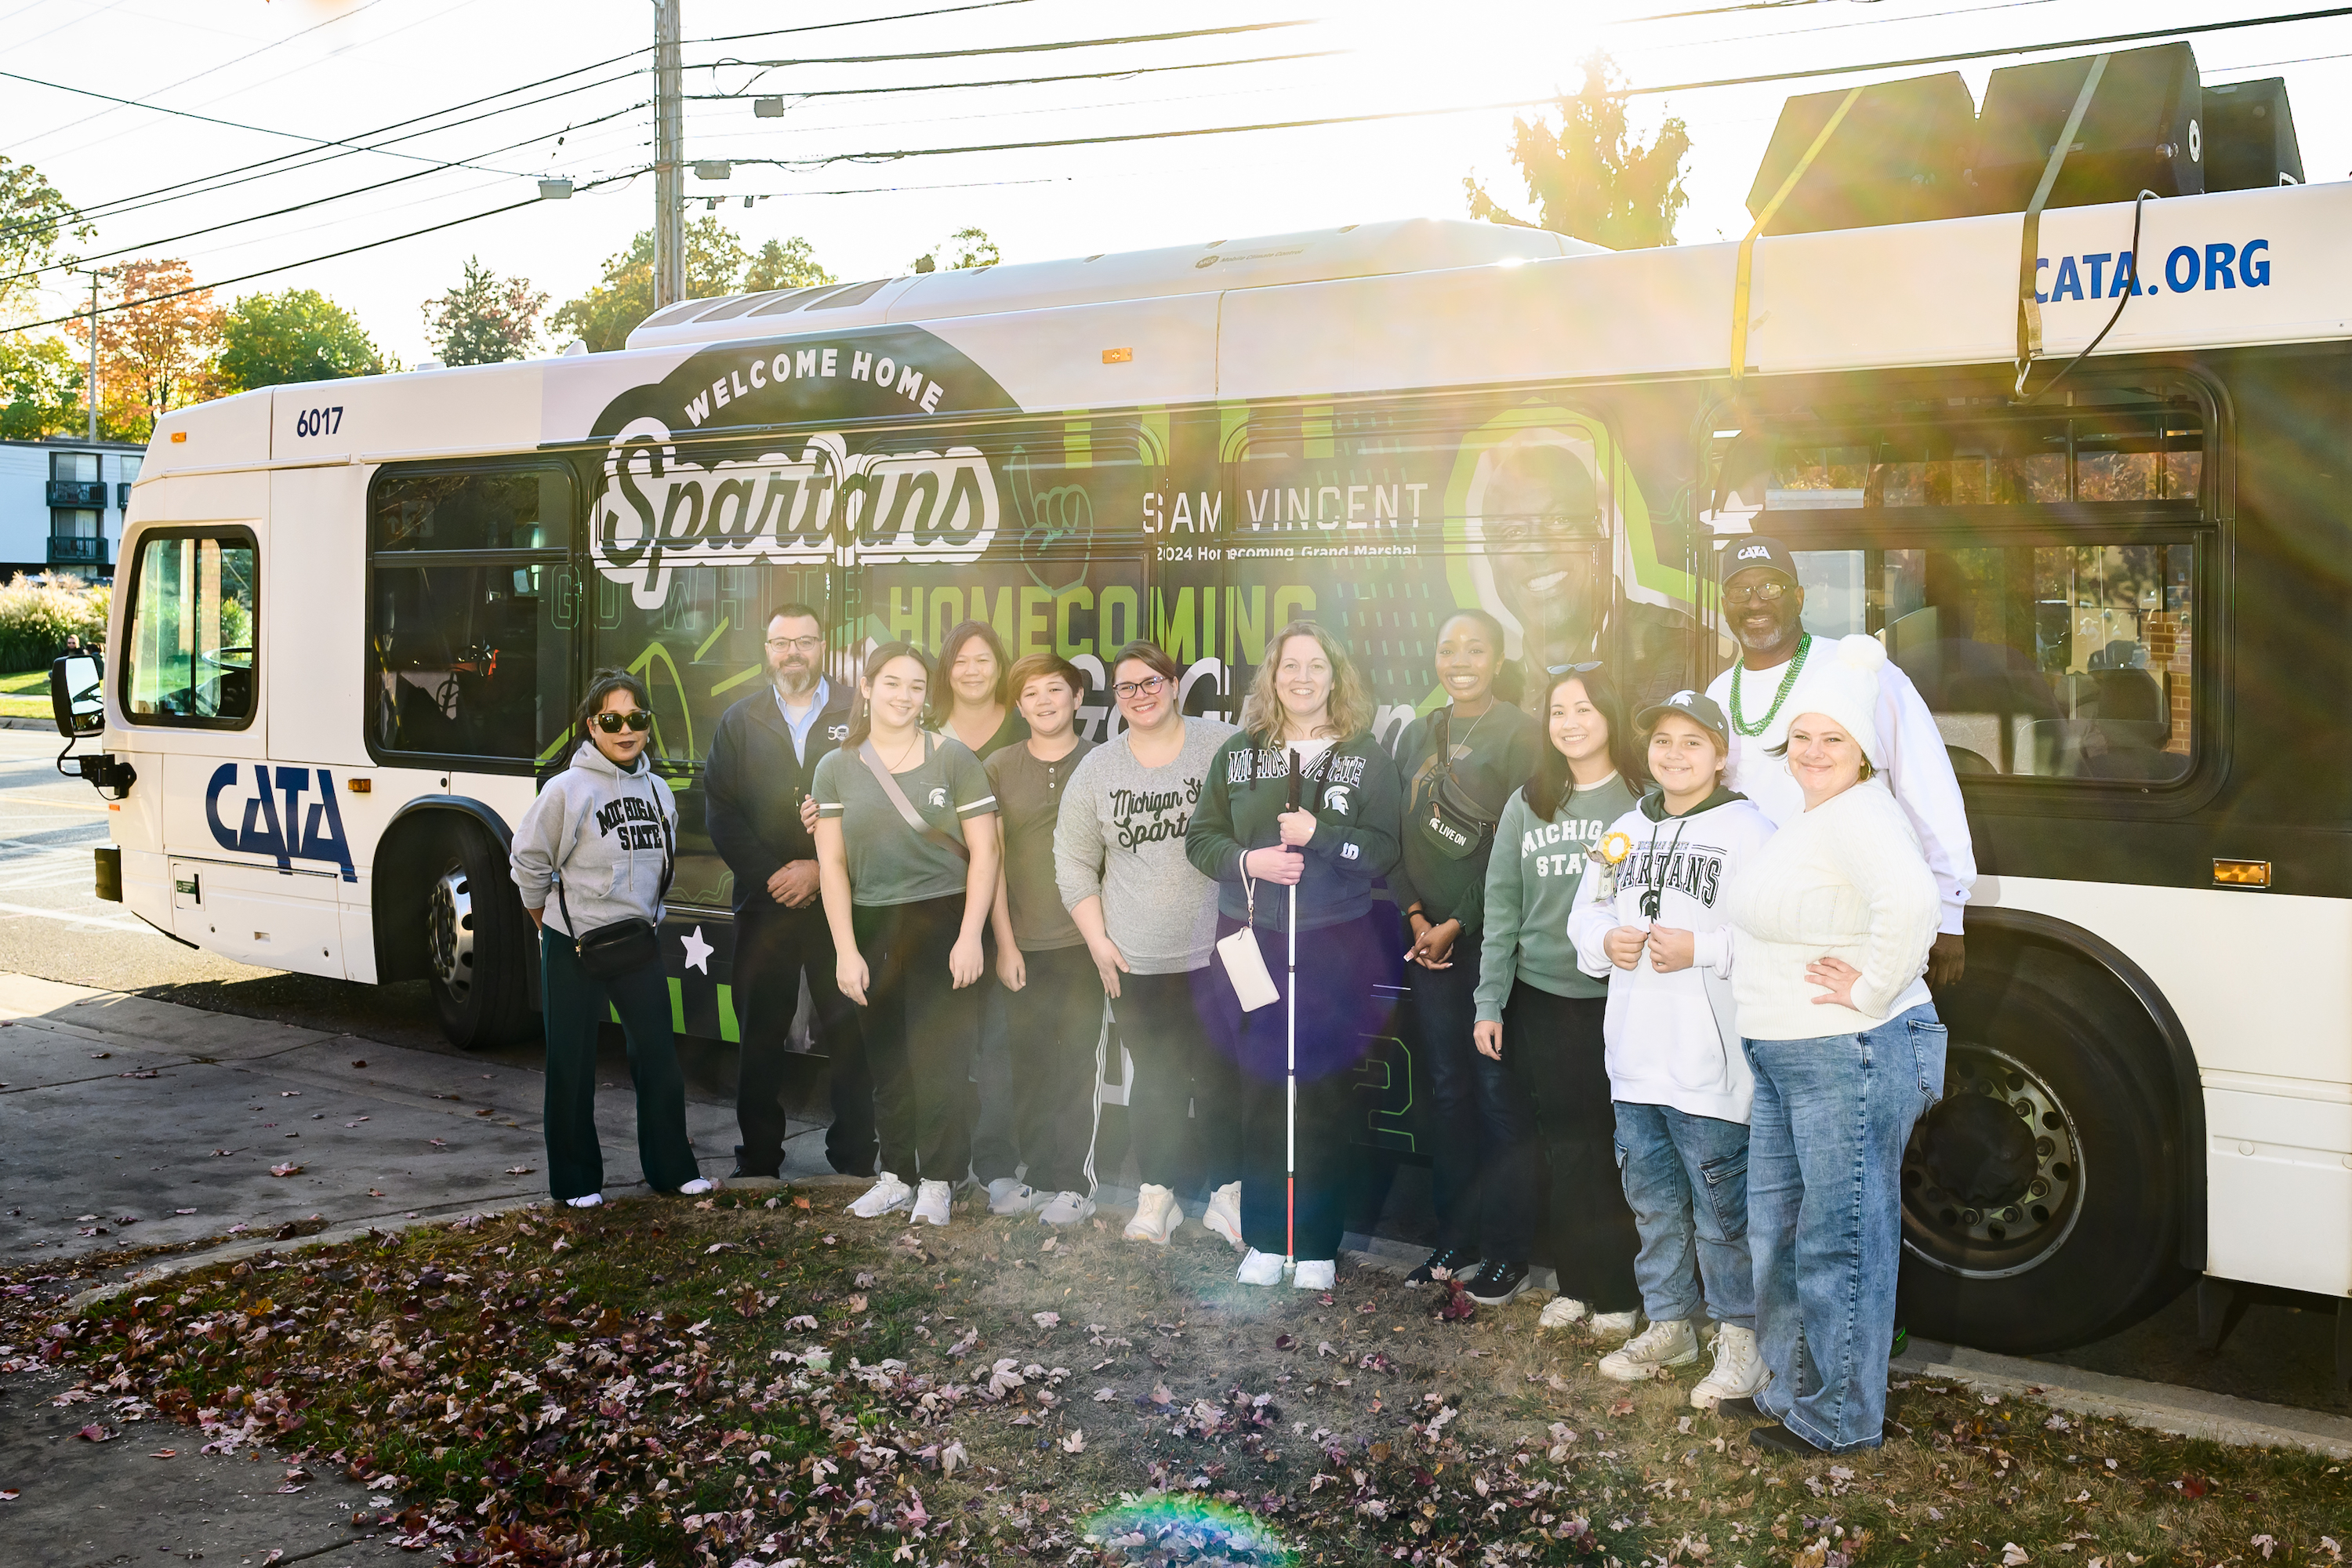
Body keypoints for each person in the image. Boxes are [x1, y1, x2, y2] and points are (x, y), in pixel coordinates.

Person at [1726, 634, 1946, 1456]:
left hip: (1845, 1051)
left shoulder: (1863, 813)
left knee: (1839, 1238)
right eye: (1804, 737)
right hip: (1789, 1051)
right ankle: (1790, 1390)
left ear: (1864, 753)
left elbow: (1913, 903)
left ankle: (1841, 1416)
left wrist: (1867, 988)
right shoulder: (1812, 817)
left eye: (1835, 740)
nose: (1815, 752)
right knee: (1778, 1233)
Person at [1569, 690, 1775, 1409]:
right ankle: (1669, 1325)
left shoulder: (1750, 832)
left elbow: (1775, 938)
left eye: (1693, 742)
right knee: (1653, 1204)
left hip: (1710, 1067)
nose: (1676, 755)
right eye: (1663, 741)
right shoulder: (1624, 830)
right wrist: (1605, 940)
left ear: (1722, 754)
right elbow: (1586, 913)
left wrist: (1705, 947)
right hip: (1635, 1059)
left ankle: (1741, 1340)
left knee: (1722, 1215)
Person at [1187, 621, 1402, 1291]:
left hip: (1335, 941)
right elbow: (1201, 842)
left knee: (1322, 1092)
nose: (1302, 678)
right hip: (1253, 938)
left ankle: (1313, 1244)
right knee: (1259, 1088)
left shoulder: (1367, 756)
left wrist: (1323, 836)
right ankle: (1262, 1237)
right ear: (1271, 679)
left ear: (1335, 677)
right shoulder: (1239, 753)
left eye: (1315, 666)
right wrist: (1249, 860)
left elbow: (1385, 851)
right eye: (1288, 667)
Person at [1703, 535, 1973, 988]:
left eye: (1770, 587)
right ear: (1724, 603)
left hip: (1843, 920)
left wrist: (1950, 910)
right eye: (1740, 590)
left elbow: (1925, 782)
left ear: (1799, 596)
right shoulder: (1716, 692)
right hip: (1749, 925)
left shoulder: (1856, 670)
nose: (1755, 602)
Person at [1055, 641, 1245, 1248]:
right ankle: (1158, 1195)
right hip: (1137, 959)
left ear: (1175, 683)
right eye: (1127, 687)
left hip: (1220, 953)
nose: (1140, 695)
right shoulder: (1100, 768)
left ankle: (1228, 1195)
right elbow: (1074, 861)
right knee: (1157, 1080)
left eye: (1151, 682)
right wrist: (1098, 944)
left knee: (1222, 1078)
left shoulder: (1221, 747)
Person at [1475, 665, 1644, 1336]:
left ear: (1609, 716)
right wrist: (1490, 1000)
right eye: (1557, 712)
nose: (1570, 723)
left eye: (1583, 709)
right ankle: (1578, 1284)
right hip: (1544, 998)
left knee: (1623, 1147)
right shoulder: (1530, 799)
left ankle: (1626, 1293)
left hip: (1624, 1000)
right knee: (1566, 1147)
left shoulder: (1644, 800)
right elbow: (1503, 904)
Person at [813, 643, 1001, 1228]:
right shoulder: (836, 766)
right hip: (871, 922)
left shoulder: (955, 758)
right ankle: (896, 1176)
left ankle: (940, 1181)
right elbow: (833, 867)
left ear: (927, 695)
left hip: (940, 919)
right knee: (887, 1060)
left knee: (940, 1059)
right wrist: (846, 950)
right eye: (891, 683)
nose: (904, 696)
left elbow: (987, 851)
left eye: (916, 686)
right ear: (866, 688)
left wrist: (971, 934)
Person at [510, 669, 713, 1207]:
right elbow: (528, 861)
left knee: (658, 1058)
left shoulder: (658, 790)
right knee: (571, 1065)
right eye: (612, 720)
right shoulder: (566, 790)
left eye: (637, 719)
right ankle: (576, 1182)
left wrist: (651, 914)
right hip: (572, 944)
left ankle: (671, 1169)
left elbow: (662, 866)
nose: (627, 730)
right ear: (590, 726)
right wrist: (547, 924)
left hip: (636, 941)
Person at [1389, 610, 1544, 1304]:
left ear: (1498, 658)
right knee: (1446, 1093)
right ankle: (1455, 1240)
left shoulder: (1521, 734)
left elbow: (1516, 850)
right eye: (1447, 647)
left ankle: (1508, 1250)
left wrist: (1457, 921)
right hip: (1429, 945)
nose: (1459, 659)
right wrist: (1418, 917)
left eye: (1474, 648)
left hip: (1491, 943)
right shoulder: (1420, 732)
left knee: (1494, 1093)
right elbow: (1393, 835)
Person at [702, 604, 869, 1181]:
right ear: (767, 650)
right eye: (781, 642)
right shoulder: (739, 720)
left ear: (823, 647)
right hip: (763, 903)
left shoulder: (860, 710)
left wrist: (819, 872)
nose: (792, 652)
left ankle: (855, 1159)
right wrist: (774, 875)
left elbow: (879, 798)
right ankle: (757, 1163)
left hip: (842, 905)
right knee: (759, 1035)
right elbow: (720, 812)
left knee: (852, 1029)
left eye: (804, 641)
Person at [975, 653, 1104, 1224]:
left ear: (1078, 698)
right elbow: (991, 860)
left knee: (1078, 1064)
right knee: (1028, 1064)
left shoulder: (1104, 762)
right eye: (1031, 693)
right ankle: (1038, 1177)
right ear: (1018, 706)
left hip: (1085, 945)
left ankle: (1074, 1183)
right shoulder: (998, 767)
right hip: (1022, 943)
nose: (1044, 701)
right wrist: (1004, 943)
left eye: (1056, 689)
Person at [935, 619, 1029, 759]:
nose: (972, 671)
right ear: (946, 671)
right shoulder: (925, 736)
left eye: (982, 661)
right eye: (960, 662)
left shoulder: (1028, 727)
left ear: (999, 669)